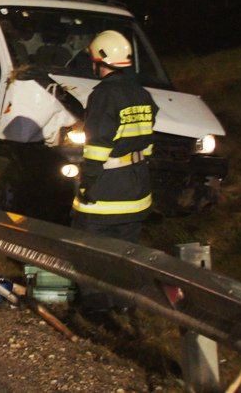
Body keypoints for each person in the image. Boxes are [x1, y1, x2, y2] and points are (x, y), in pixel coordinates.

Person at [72, 29, 158, 316]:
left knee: (90, 248)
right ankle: (125, 301)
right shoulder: (142, 94)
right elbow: (147, 140)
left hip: (106, 189)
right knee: (126, 250)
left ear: (101, 61)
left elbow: (97, 144)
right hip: (136, 187)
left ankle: (96, 306)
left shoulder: (104, 95)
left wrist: (88, 182)